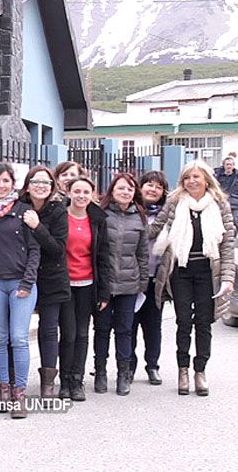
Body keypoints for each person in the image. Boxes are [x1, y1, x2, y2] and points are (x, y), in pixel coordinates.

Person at [150, 160, 235, 396]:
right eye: (187, 177)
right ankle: (183, 370)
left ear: (206, 179)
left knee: (204, 323)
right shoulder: (175, 202)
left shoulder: (219, 205)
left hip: (209, 271)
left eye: (196, 176)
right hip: (181, 270)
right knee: (184, 321)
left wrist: (228, 278)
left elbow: (227, 244)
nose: (192, 181)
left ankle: (200, 371)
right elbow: (155, 228)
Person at [0, 162, 40, 419]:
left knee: (19, 338)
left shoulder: (25, 212)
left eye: (6, 181)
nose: (1, 186)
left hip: (20, 284)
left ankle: (19, 394)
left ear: (13, 183)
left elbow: (35, 251)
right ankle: (3, 389)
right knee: (0, 338)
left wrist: (27, 283)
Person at [19, 166, 71, 399]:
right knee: (17, 331)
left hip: (52, 276)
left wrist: (37, 227)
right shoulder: (18, 207)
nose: (41, 186)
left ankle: (48, 385)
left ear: (52, 187)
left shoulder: (58, 211)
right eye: (36, 181)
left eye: (47, 182)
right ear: (27, 185)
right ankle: (13, 382)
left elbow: (58, 249)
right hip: (21, 276)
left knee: (49, 330)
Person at [94, 173, 148, 397]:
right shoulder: (101, 214)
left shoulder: (139, 218)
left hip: (129, 284)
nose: (125, 192)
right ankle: (100, 372)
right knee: (102, 329)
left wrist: (142, 283)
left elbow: (142, 254)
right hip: (104, 284)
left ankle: (123, 374)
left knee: (125, 330)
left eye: (129, 189)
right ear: (112, 190)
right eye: (121, 188)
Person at [64, 176, 111, 402]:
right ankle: (64, 380)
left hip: (87, 284)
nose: (81, 196)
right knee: (68, 334)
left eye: (86, 192)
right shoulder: (60, 216)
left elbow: (104, 257)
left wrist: (104, 292)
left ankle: (77, 379)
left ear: (92, 195)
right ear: (68, 192)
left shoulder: (98, 220)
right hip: (64, 285)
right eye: (77, 191)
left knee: (82, 333)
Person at [130, 171, 169, 386]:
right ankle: (128, 366)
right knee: (129, 325)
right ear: (141, 186)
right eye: (149, 184)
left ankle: (152, 366)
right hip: (131, 278)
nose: (153, 189)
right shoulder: (131, 211)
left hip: (156, 279)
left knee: (153, 326)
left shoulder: (167, 215)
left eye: (158, 186)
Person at [215, 156, 238, 228]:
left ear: (233, 165)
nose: (229, 166)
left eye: (231, 164)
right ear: (224, 165)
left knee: (235, 221)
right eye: (227, 164)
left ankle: (233, 237)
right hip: (221, 202)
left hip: (234, 203)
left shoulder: (236, 176)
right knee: (220, 222)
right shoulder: (217, 176)